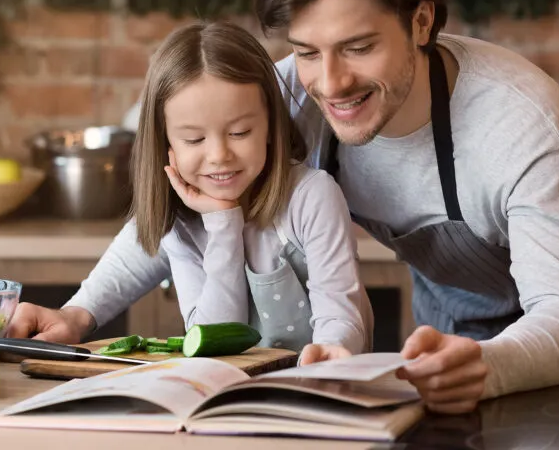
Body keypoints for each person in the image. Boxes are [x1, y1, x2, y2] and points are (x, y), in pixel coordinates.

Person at [5, 0, 559, 414]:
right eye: (306, 50)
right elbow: (185, 199)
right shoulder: (290, 95)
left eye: (358, 46)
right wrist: (80, 312)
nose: (330, 82)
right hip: (458, 303)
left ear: (420, 20)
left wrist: (492, 366)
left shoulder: (519, 121)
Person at [53, 20, 375, 359]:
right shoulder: (180, 223)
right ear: (166, 143)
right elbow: (211, 341)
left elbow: (341, 315)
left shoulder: (311, 197)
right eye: (194, 139)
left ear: (269, 125)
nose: (220, 156)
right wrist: (223, 223)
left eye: (239, 132)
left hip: (317, 393)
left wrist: (331, 351)